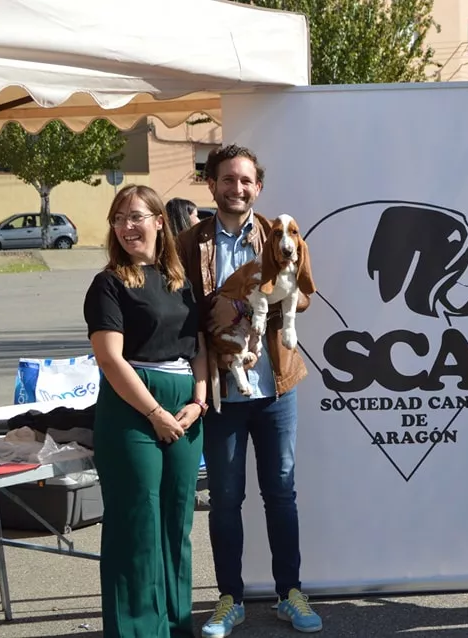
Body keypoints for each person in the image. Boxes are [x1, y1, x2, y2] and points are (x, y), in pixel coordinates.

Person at [176, 144, 323, 636]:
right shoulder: (189, 242)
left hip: (276, 387)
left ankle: (290, 593)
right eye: (227, 179)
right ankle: (229, 599)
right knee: (225, 498)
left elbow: (303, 293)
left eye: (245, 181)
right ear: (212, 185)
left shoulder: (278, 233)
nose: (236, 188)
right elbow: (177, 308)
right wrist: (213, 312)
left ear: (257, 188)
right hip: (222, 391)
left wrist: (253, 305)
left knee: (281, 492)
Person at [83, 184, 208, 637]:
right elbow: (110, 359)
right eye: (119, 218)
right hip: (133, 406)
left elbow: (200, 346)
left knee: (177, 520)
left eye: (136, 216)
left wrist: (200, 398)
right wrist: (155, 412)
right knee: (137, 521)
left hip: (186, 409)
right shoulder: (109, 284)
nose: (127, 226)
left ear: (159, 221)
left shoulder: (180, 282)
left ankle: (176, 626)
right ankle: (137, 629)